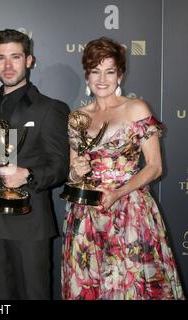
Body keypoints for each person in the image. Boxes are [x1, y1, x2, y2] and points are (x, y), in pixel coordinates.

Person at [61, 37, 185, 300]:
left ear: (120, 74)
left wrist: (118, 193)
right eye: (95, 71)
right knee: (88, 285)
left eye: (109, 71)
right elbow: (72, 171)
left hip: (130, 211)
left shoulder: (136, 109)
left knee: (131, 287)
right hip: (87, 215)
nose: (102, 79)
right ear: (87, 75)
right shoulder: (78, 117)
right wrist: (77, 172)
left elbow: (154, 167)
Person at [0, 29, 70, 300]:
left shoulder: (50, 108)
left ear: (29, 60)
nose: (8, 66)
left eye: (15, 57)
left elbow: (60, 166)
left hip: (30, 224)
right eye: (1, 58)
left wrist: (28, 174)